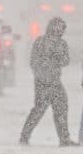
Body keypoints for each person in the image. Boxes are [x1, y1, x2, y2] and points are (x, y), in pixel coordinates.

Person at [20, 17, 75, 146]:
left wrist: (57, 58)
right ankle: (24, 136)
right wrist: (42, 72)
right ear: (51, 26)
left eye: (61, 27)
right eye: (57, 26)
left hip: (55, 81)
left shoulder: (62, 44)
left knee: (61, 108)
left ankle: (64, 138)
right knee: (39, 109)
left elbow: (66, 61)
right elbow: (33, 61)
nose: (59, 29)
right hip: (42, 81)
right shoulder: (41, 41)